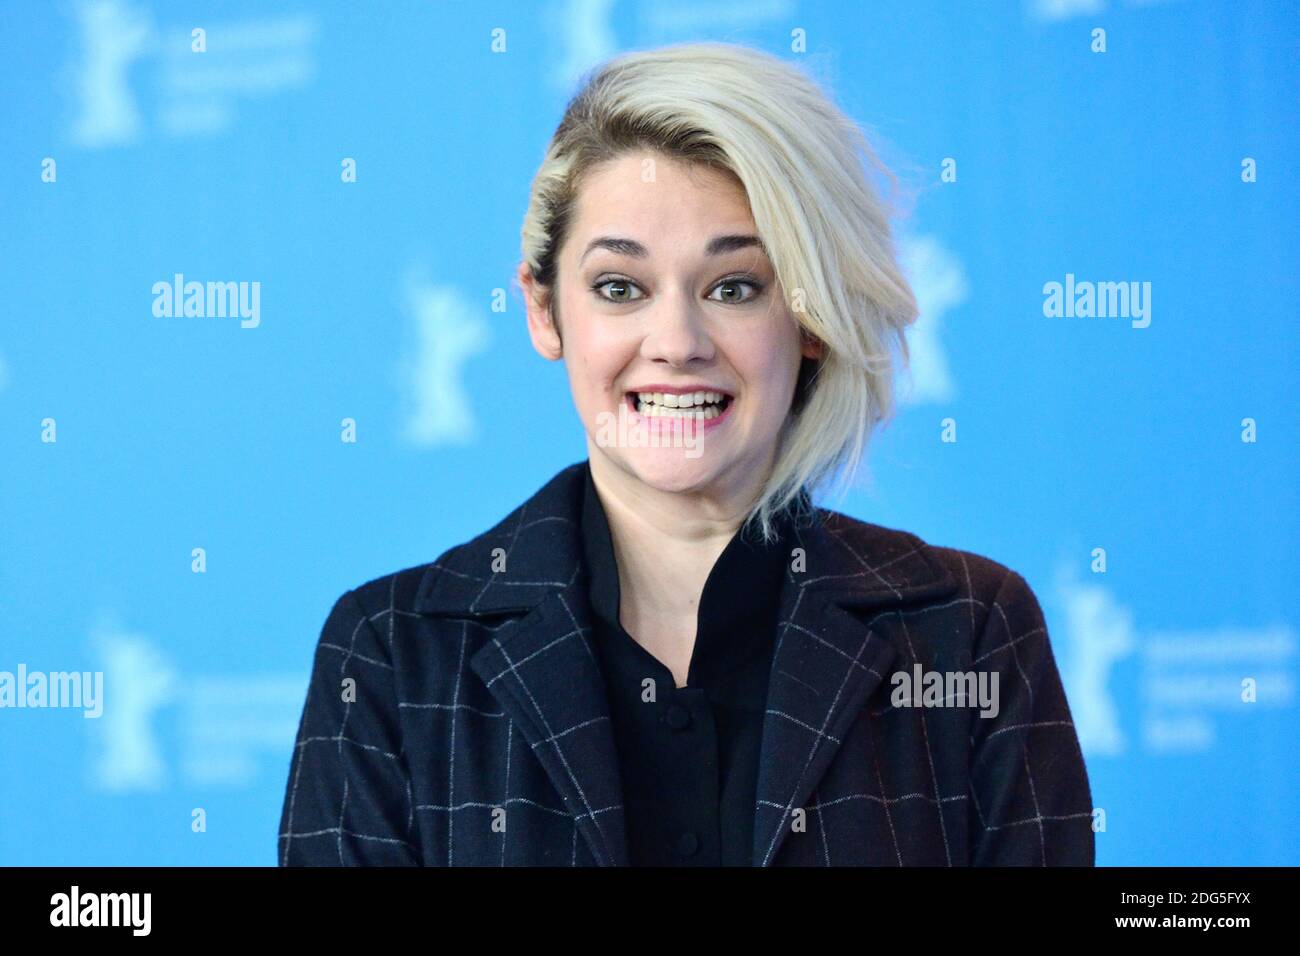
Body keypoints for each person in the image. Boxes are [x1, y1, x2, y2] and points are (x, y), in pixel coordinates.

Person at [278, 40, 1095, 866]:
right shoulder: (391, 654)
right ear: (543, 309)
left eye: (734, 287)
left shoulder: (969, 630)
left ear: (810, 319)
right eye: (619, 288)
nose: (676, 343)